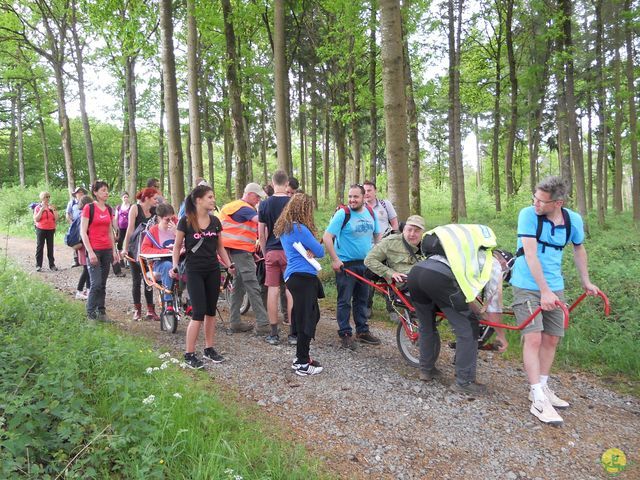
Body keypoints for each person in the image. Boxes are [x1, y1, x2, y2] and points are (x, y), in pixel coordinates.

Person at [511, 176, 599, 426]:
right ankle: (538, 397)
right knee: (534, 337)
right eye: (534, 197)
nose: (535, 203)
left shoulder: (573, 220)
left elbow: (578, 249)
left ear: (557, 202)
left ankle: (543, 385)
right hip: (527, 284)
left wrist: (586, 281)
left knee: (552, 337)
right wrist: (543, 291)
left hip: (554, 286)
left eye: (541, 200)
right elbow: (530, 254)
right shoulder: (528, 214)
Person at [407, 224, 506, 393]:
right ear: (505, 263)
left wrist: (476, 310)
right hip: (439, 278)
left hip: (417, 273)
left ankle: (426, 370)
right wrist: (501, 335)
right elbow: (494, 305)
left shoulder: (465, 253)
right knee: (468, 327)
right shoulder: (494, 265)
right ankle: (464, 381)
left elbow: (464, 293)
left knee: (426, 325)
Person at [171, 185, 235, 369]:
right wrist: (175, 265)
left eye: (213, 197)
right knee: (198, 312)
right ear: (198, 200)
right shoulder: (185, 221)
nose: (213, 200)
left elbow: (220, 247)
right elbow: (176, 247)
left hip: (213, 270)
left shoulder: (215, 221)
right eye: (210, 197)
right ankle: (189, 354)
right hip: (194, 271)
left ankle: (209, 348)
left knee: (210, 311)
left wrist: (228, 264)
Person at [322, 184, 381, 350]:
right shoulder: (343, 214)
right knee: (344, 301)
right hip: (346, 265)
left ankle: (362, 332)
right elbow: (327, 237)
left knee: (362, 300)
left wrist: (376, 250)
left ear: (363, 198)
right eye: (350, 197)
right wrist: (335, 259)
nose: (352, 200)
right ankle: (345, 334)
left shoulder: (371, 212)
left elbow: (378, 233)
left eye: (356, 197)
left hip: (365, 264)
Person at [274, 193, 325, 376]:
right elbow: (320, 251)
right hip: (303, 277)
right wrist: (313, 248)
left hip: (294, 276)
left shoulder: (285, 228)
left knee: (308, 315)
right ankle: (302, 362)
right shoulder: (299, 228)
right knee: (307, 318)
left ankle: (302, 357)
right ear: (304, 210)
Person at [219, 183, 270, 335]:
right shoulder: (243, 208)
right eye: (257, 196)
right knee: (253, 286)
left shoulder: (235, 207)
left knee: (239, 285)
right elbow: (260, 219)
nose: (258, 200)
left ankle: (235, 322)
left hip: (236, 251)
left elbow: (242, 232)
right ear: (248, 194)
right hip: (239, 252)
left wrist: (252, 250)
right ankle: (263, 324)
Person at [364, 215, 426, 322]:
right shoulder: (390, 242)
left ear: (422, 233)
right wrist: (391, 273)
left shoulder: (428, 244)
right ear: (404, 229)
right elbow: (369, 260)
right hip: (405, 284)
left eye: (416, 231)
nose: (412, 234)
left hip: (426, 282)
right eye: (409, 230)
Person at [258, 170, 294, 346]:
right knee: (290, 289)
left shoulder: (264, 205)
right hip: (290, 252)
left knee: (273, 290)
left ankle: (274, 333)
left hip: (271, 251)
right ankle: (293, 333)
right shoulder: (292, 203)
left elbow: (261, 234)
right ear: (287, 184)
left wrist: (265, 254)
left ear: (272, 184)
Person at [80, 181, 120, 321]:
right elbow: (83, 232)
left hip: (107, 250)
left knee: (102, 283)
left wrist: (114, 251)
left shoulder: (109, 209)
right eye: (103, 190)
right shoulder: (89, 208)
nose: (106, 192)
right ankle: (91, 315)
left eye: (107, 190)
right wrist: (90, 252)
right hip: (94, 249)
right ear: (95, 192)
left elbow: (110, 231)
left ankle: (101, 312)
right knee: (95, 283)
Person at [121, 187, 160, 321]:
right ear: (147, 197)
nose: (157, 201)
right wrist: (125, 248)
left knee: (148, 279)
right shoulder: (135, 208)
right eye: (155, 198)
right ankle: (137, 310)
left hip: (148, 251)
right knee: (136, 280)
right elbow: (130, 229)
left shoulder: (156, 211)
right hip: (134, 249)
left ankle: (151, 309)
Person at [141, 203, 178, 311]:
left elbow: (186, 243)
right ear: (159, 218)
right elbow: (144, 249)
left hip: (178, 260)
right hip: (160, 263)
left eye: (173, 218)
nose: (171, 222)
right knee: (168, 266)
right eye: (167, 220)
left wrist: (176, 233)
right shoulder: (153, 231)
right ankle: (168, 301)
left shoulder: (177, 228)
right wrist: (163, 251)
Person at [74, 195, 95, 300]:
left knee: (88, 268)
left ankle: (88, 290)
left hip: (83, 245)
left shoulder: (80, 214)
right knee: (86, 268)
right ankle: (79, 290)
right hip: (84, 245)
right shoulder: (83, 215)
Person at [33, 191, 59, 272]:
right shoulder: (37, 207)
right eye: (45, 197)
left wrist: (53, 210)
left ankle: (52, 265)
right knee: (40, 246)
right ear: (41, 198)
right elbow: (36, 219)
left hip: (50, 229)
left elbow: (56, 218)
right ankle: (38, 265)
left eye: (48, 197)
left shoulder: (51, 207)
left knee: (50, 247)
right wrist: (41, 210)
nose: (47, 199)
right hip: (40, 229)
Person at [66, 186, 87, 267]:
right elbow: (68, 214)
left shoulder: (86, 202)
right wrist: (71, 224)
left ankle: (84, 259)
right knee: (75, 241)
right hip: (75, 225)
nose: (80, 193)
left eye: (82, 192)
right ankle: (76, 260)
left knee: (84, 241)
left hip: (84, 224)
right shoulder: (71, 203)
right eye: (79, 192)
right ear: (75, 194)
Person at [115, 192, 131, 269]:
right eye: (124, 197)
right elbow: (116, 218)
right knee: (120, 244)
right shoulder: (119, 207)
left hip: (129, 228)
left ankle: (128, 261)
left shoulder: (131, 207)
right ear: (121, 198)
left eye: (127, 197)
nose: (126, 198)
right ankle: (121, 259)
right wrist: (116, 228)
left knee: (129, 243)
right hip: (121, 228)